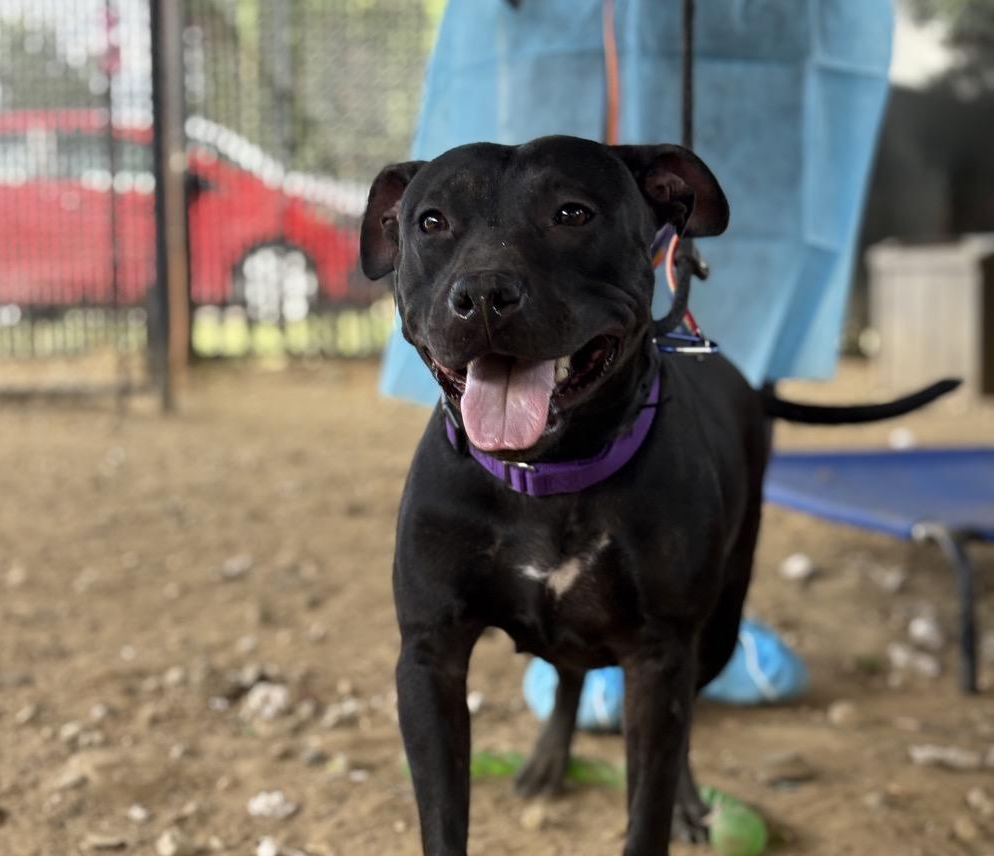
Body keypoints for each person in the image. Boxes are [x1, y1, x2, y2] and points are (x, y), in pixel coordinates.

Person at [379, 0, 894, 719]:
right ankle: (569, 702)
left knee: (691, 637)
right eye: (433, 225)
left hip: (737, 37)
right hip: (552, 31)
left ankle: (684, 713)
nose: (488, 282)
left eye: (569, 217)